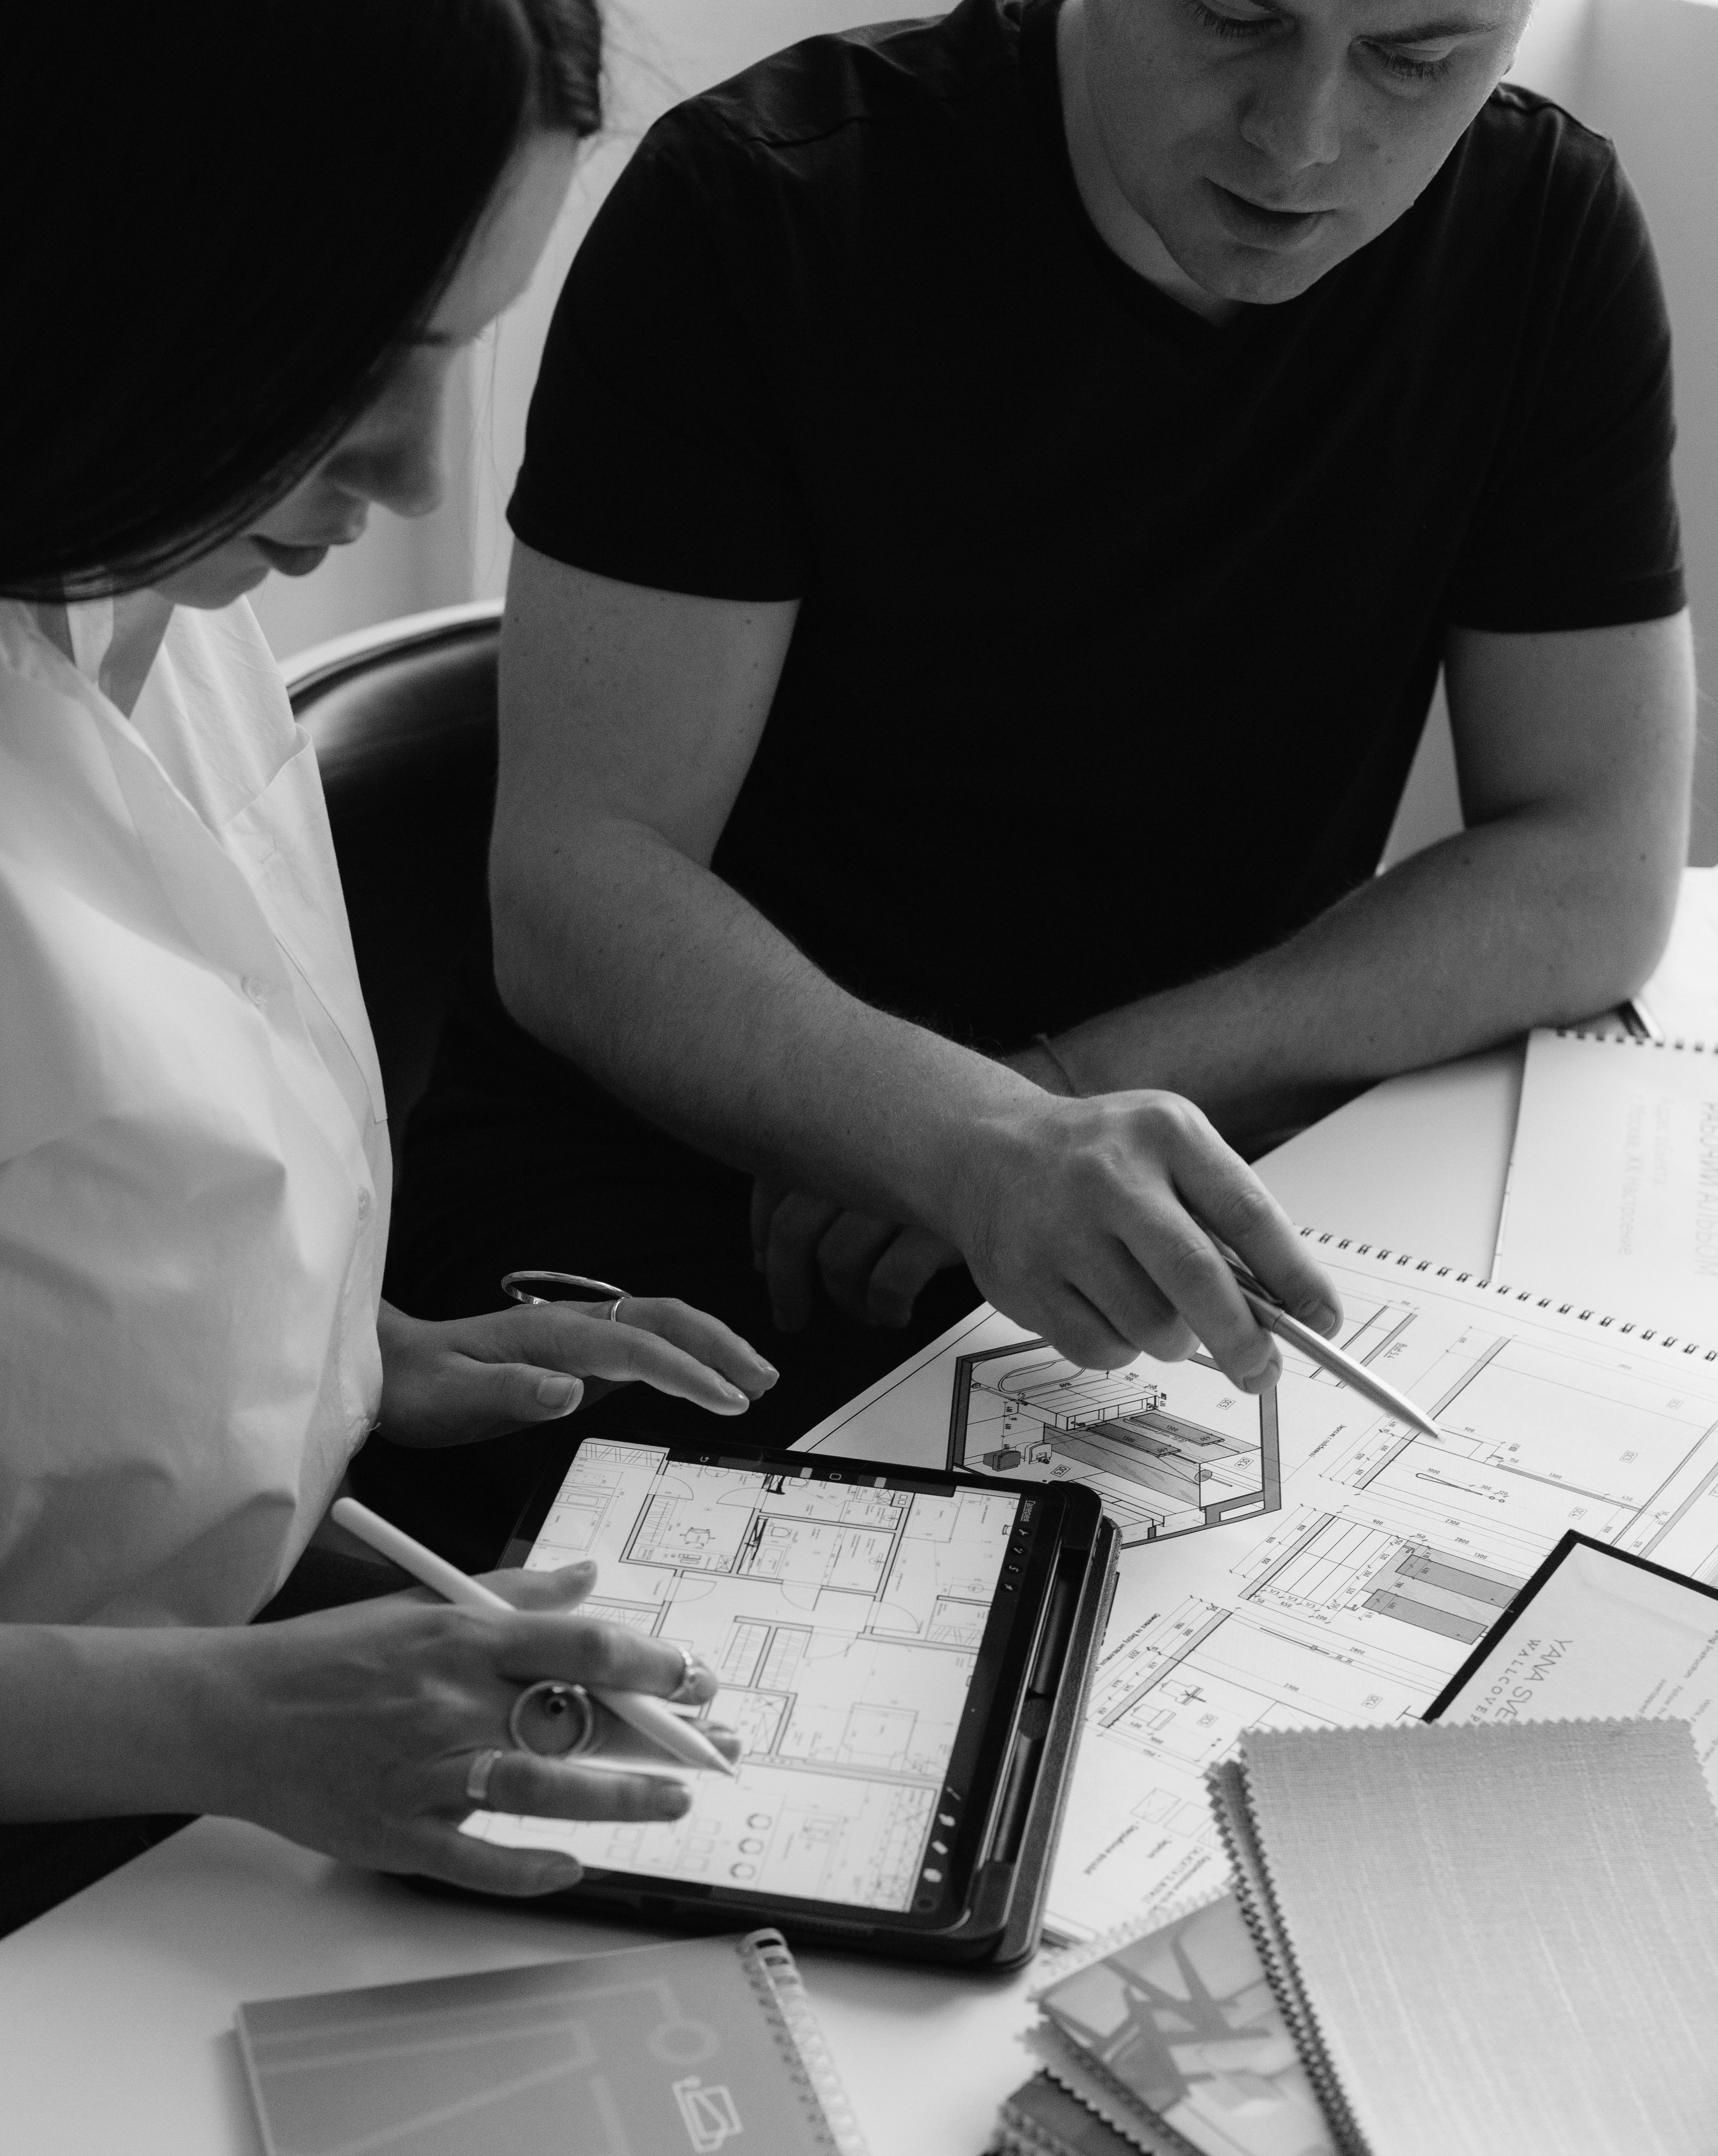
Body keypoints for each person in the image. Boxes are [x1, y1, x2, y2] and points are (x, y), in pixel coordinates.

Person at [383, 0, 1693, 1563]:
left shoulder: (1540, 230)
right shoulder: (769, 205)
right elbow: (577, 887)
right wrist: (960, 1140)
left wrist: (1053, 1102)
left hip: (1120, 1176)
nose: (1305, 137)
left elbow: (1596, 865)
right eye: (1233, 17)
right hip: (687, 1219)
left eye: (1418, 58)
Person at [0, 0, 787, 1929]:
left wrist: (324, 1367)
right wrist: (217, 1724)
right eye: (376, 351)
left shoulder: (138, 585)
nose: (430, 476)